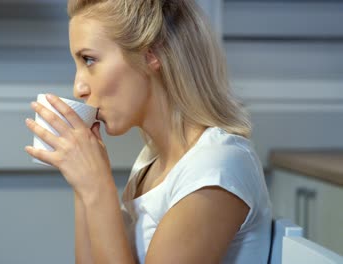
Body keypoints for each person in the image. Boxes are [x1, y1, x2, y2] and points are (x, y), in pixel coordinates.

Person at [25, 0, 272, 263]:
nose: (78, 88)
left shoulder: (217, 167)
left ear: (152, 53)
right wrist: (83, 184)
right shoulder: (151, 164)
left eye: (89, 60)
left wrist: (98, 189)